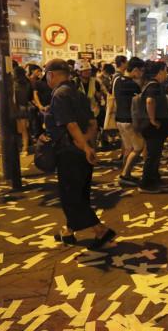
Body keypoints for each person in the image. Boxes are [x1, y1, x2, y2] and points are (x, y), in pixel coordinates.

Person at [43, 59, 115, 248]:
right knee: (79, 192)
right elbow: (93, 123)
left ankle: (101, 230)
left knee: (71, 194)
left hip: (69, 151)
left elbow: (71, 125)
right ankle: (68, 231)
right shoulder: (79, 93)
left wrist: (83, 147)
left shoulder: (59, 94)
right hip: (82, 149)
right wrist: (89, 145)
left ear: (51, 74)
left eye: (46, 75)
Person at [139, 61, 168, 193]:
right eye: (165, 71)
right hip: (152, 128)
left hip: (153, 128)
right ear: (160, 72)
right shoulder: (154, 86)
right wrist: (152, 120)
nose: (166, 74)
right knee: (152, 155)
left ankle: (155, 178)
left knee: (156, 154)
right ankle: (145, 183)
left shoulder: (150, 84)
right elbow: (150, 101)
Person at [114, 57, 145, 186]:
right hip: (129, 119)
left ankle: (125, 173)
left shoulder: (117, 80)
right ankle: (125, 174)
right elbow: (138, 105)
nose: (141, 74)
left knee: (128, 148)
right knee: (138, 148)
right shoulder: (132, 85)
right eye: (141, 71)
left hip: (119, 118)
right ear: (135, 70)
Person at [13, 66, 33, 155]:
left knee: (18, 130)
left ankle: (22, 147)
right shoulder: (27, 83)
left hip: (16, 108)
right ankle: (25, 148)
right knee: (24, 129)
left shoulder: (14, 84)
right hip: (24, 107)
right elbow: (28, 97)